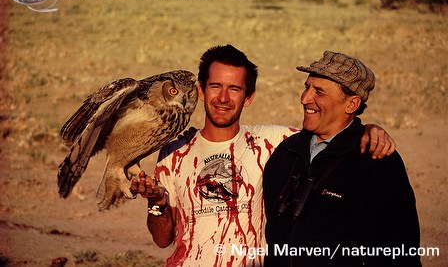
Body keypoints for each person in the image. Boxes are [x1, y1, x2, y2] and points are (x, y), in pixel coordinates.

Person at [131, 45, 396, 266]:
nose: (223, 98)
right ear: (200, 91)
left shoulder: (273, 142)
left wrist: (370, 129)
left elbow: (331, 129)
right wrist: (157, 202)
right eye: (215, 86)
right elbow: (162, 239)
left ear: (249, 97)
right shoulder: (173, 152)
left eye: (234, 89)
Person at [263, 51, 421, 266]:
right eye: (306, 87)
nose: (304, 98)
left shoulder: (376, 161)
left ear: (351, 104)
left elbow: (401, 250)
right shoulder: (287, 151)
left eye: (319, 91)